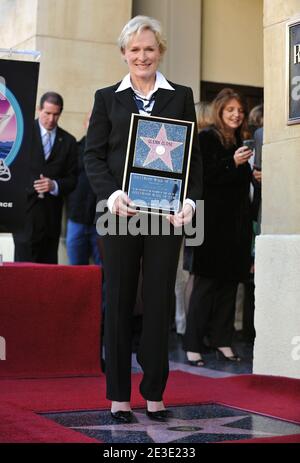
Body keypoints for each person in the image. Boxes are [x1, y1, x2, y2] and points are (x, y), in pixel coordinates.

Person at [84, 16, 202, 423]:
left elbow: (193, 157)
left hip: (166, 216)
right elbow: (92, 156)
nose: (142, 56)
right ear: (123, 54)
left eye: (149, 49)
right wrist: (111, 193)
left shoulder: (181, 96)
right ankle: (118, 395)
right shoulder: (105, 98)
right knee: (117, 300)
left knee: (157, 301)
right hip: (119, 213)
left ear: (160, 51)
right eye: (134, 50)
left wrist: (191, 202)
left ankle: (154, 392)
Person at [183, 88, 253, 366]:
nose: (236, 115)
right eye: (231, 110)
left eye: (240, 111)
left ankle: (222, 340)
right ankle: (192, 344)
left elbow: (239, 184)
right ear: (220, 112)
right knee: (204, 287)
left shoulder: (240, 140)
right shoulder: (206, 138)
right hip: (211, 225)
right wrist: (232, 163)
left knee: (229, 286)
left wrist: (253, 174)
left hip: (236, 225)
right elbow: (203, 177)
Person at [13, 92, 77, 264]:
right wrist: (32, 185)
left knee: (47, 275)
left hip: (51, 220)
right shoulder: (22, 134)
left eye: (56, 114)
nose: (51, 119)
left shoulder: (69, 142)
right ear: (39, 109)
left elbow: (73, 180)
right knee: (22, 272)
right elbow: (11, 172)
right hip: (25, 217)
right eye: (47, 113)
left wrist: (54, 185)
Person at [66, 114, 102, 265]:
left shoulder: (110, 152)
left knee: (104, 274)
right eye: (91, 122)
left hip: (101, 222)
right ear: (85, 124)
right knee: (75, 273)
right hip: (76, 220)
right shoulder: (74, 149)